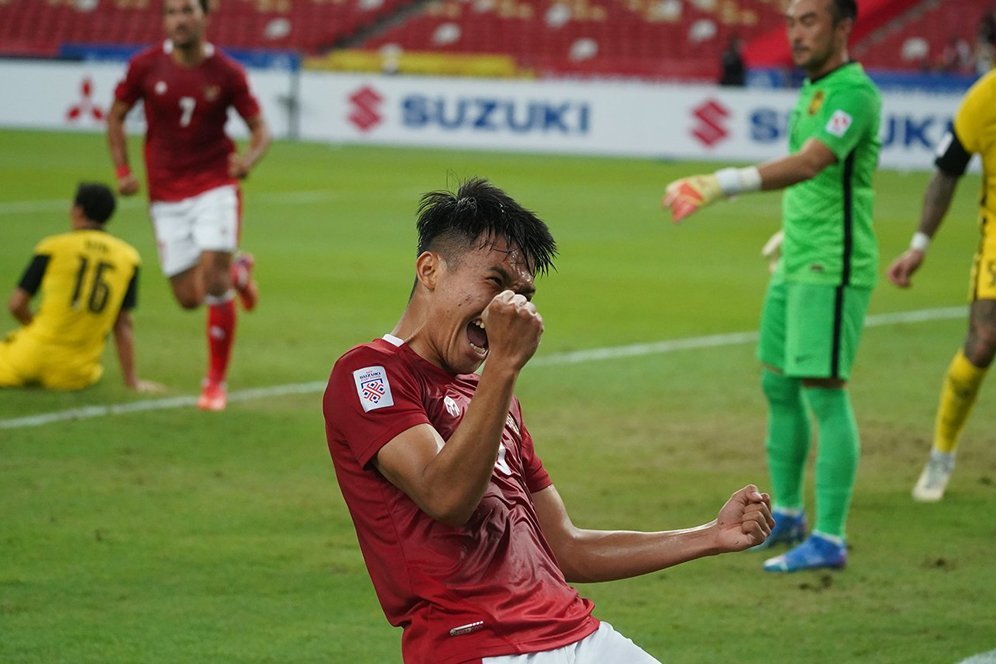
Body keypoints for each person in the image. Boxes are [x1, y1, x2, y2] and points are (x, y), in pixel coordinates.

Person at [323, 178, 774, 663]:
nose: (510, 308)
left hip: (576, 631)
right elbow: (445, 497)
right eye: (495, 283)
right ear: (430, 270)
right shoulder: (370, 373)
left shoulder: (494, 397)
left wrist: (710, 535)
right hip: (477, 644)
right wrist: (503, 368)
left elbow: (564, 547)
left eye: (523, 293)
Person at [662, 0, 881, 573]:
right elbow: (812, 185)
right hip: (796, 260)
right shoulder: (811, 91)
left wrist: (722, 183)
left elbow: (812, 163)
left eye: (810, 20)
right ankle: (787, 513)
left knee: (824, 391)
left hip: (831, 266)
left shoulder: (853, 93)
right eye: (790, 21)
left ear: (842, 26)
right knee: (779, 385)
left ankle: (830, 538)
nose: (797, 32)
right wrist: (787, 234)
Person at [106, 0, 271, 411]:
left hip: (215, 185)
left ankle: (215, 382)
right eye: (172, 12)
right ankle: (237, 272)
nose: (179, 19)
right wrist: (123, 169)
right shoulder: (145, 66)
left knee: (212, 287)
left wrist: (247, 160)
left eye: (187, 11)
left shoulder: (227, 73)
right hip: (166, 195)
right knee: (187, 298)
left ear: (204, 16)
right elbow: (116, 115)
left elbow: (260, 128)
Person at [887, 69, 996, 503]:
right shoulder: (982, 100)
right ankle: (942, 453)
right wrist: (919, 245)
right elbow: (946, 173)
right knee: (983, 342)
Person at [0, 183, 160, 392]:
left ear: (78, 210)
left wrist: (36, 328)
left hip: (28, 359)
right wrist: (132, 381)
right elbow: (123, 324)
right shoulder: (128, 257)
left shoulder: (53, 247)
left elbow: (16, 306)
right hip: (76, 373)